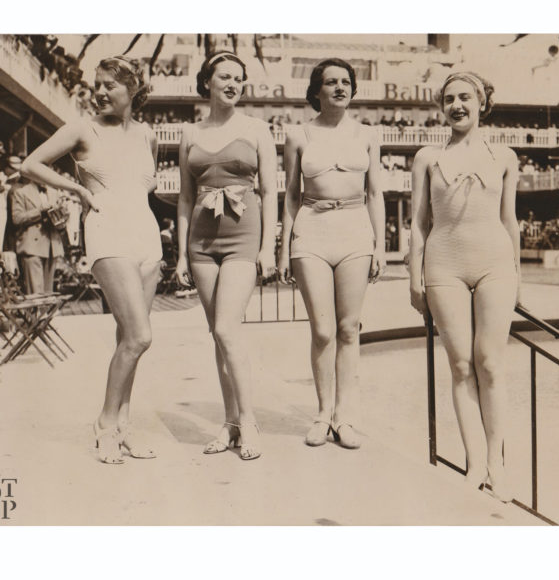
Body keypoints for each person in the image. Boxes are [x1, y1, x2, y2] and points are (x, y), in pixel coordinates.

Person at [21, 56, 161, 464]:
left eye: (108, 86)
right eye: (96, 84)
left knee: (128, 339)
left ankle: (123, 426)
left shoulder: (148, 135)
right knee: (140, 336)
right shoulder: (82, 129)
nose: (98, 92)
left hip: (146, 237)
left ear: (133, 90)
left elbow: (141, 189)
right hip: (107, 233)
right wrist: (78, 191)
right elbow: (31, 164)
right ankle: (104, 424)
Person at [409, 72, 521, 502]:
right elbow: (419, 224)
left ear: (482, 102)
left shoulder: (505, 156)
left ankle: (497, 464)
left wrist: (518, 275)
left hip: (494, 263)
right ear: (442, 107)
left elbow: (509, 220)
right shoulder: (425, 157)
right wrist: (413, 279)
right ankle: (474, 464)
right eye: (450, 99)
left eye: (466, 97)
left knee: (490, 364)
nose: (458, 105)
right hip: (445, 264)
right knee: (460, 366)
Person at [278, 58, 386, 449]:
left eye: (346, 82)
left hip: (356, 230)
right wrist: (284, 249)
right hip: (312, 229)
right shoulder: (297, 134)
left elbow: (375, 194)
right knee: (322, 330)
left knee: (347, 329)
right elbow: (290, 195)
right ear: (317, 90)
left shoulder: (368, 135)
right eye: (331, 82)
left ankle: (346, 417)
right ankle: (323, 415)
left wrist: (380, 246)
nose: (339, 88)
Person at [176, 51, 277, 461]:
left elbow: (270, 192)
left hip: (242, 239)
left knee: (227, 329)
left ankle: (248, 420)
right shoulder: (189, 131)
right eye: (224, 77)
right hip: (201, 244)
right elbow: (184, 197)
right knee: (218, 336)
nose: (233, 84)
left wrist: (268, 247)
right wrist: (182, 255)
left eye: (239, 78)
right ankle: (230, 421)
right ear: (208, 83)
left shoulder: (256, 128)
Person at [10, 164, 65, 294]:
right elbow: (16, 219)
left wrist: (62, 215)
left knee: (48, 293)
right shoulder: (21, 192)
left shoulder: (54, 192)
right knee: (36, 293)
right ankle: (36, 314)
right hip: (32, 247)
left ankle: (46, 315)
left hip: (52, 245)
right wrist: (40, 211)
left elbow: (62, 219)